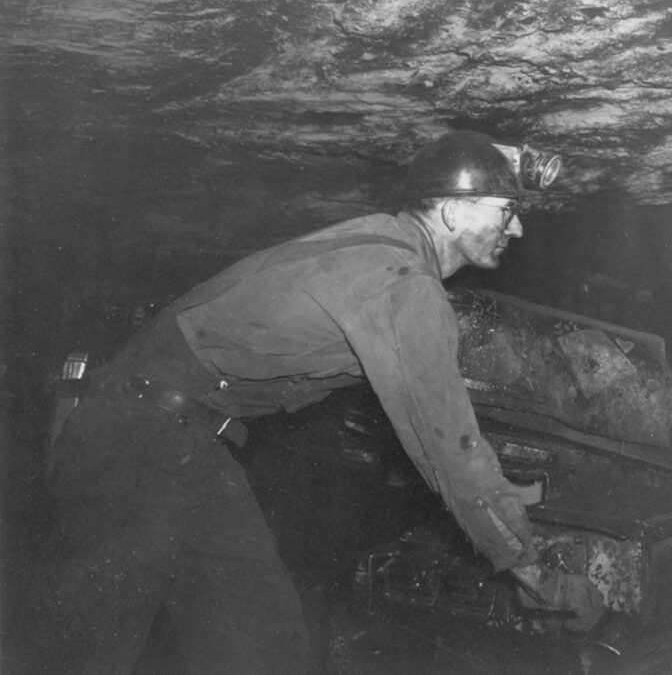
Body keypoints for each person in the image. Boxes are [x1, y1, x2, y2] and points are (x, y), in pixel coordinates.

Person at [35, 130, 604, 674]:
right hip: (139, 437)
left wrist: (489, 162)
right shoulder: (405, 285)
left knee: (262, 639)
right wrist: (533, 572)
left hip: (182, 440)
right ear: (454, 212)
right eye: (506, 211)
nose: (517, 227)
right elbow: (450, 451)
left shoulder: (381, 241)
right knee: (90, 647)